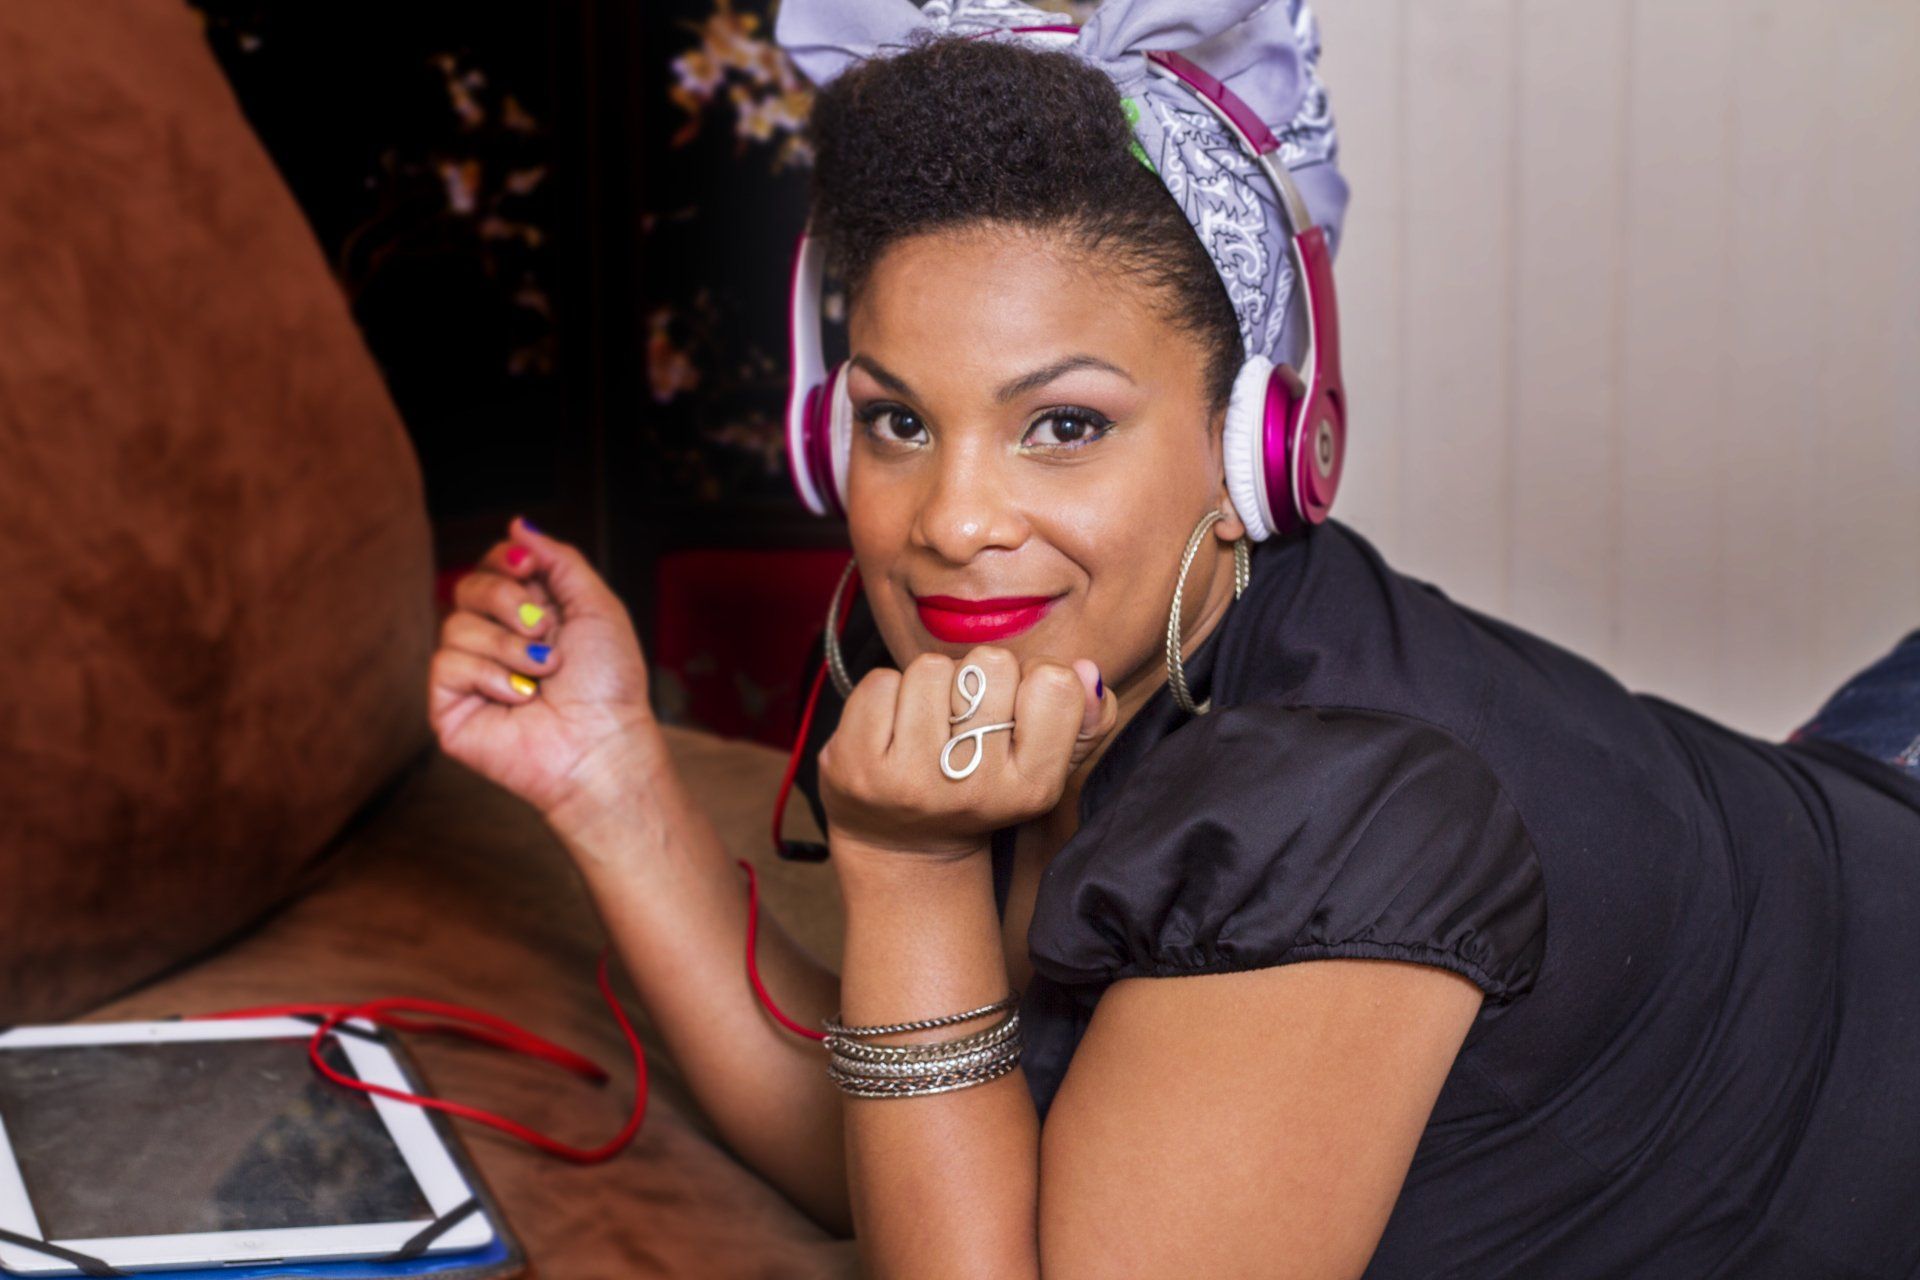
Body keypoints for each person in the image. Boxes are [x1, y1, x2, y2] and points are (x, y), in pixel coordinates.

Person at [425, 2, 1920, 1275]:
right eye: (896, 420)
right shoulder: (1036, 649)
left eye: (1061, 424)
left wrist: (917, 879)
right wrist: (609, 783)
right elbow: (920, 1160)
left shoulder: (1328, 820)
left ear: (1260, 447)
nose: (952, 520)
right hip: (1793, 849)